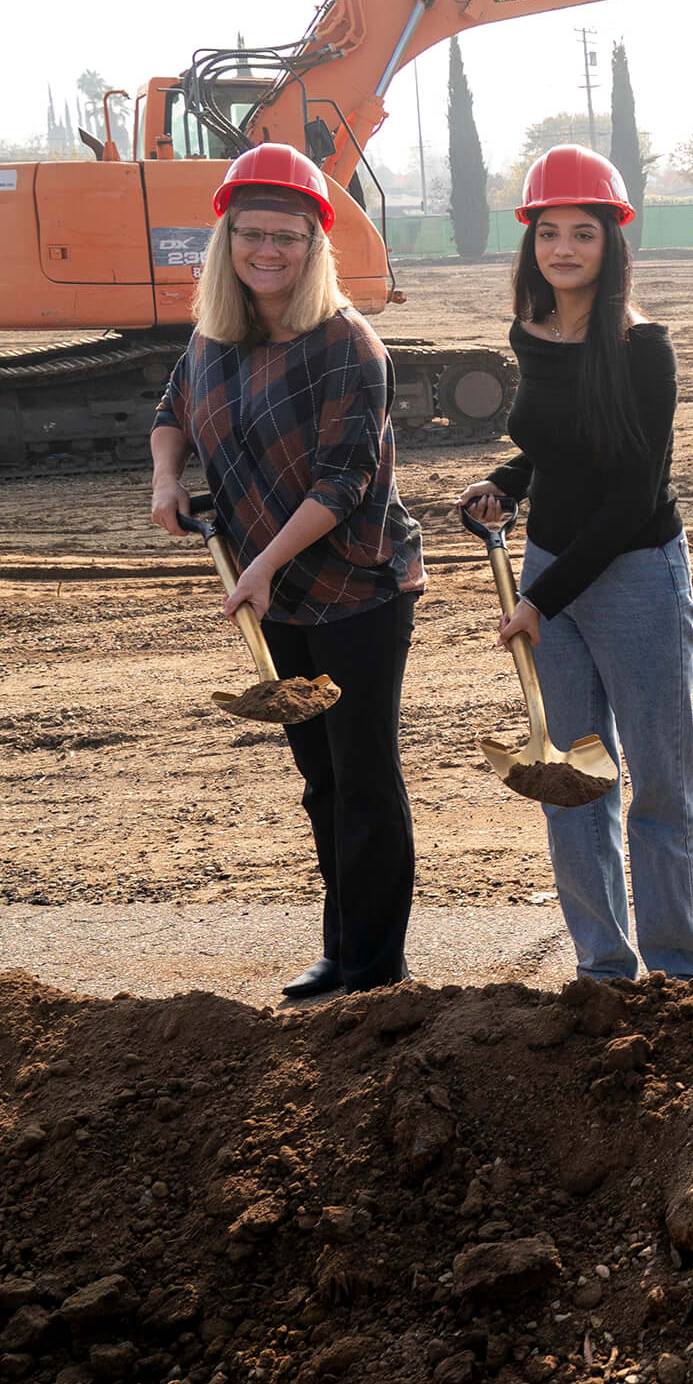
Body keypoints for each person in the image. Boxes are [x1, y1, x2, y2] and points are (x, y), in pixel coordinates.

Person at [147, 143, 424, 1000]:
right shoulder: (214, 337)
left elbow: (345, 483)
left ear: (316, 246)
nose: (269, 252)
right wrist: (166, 480)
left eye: (289, 238)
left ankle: (376, 976)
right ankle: (342, 951)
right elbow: (170, 412)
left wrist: (260, 563)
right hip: (271, 590)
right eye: (252, 235)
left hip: (356, 590)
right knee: (321, 781)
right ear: (226, 241)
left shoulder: (347, 343)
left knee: (365, 779)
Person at [457, 146, 693, 984]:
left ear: (612, 244)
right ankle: (603, 968)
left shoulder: (643, 347)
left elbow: (633, 492)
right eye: (548, 232)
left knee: (660, 784)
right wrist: (506, 482)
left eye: (583, 233)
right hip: (551, 569)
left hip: (634, 572)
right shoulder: (528, 334)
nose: (563, 248)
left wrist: (543, 598)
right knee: (570, 776)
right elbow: (554, 451)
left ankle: (683, 969)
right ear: (529, 241)